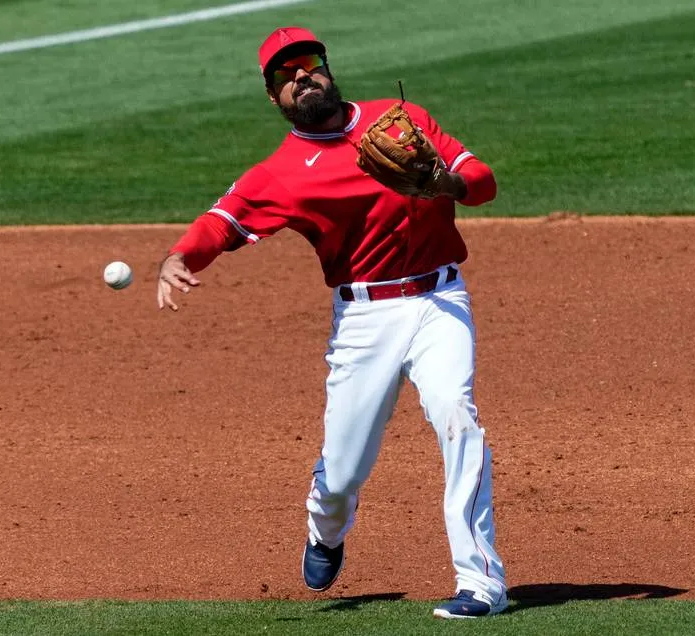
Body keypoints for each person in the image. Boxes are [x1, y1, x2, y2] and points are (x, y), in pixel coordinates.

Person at [156, 26, 507, 619]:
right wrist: (177, 258)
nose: (301, 76)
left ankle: (481, 584)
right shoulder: (281, 174)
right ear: (274, 96)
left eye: (308, 63)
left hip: (440, 300)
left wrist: (444, 182)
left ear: (327, 66)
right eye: (284, 75)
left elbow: (484, 183)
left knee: (457, 418)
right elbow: (221, 222)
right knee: (343, 473)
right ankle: (326, 526)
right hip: (364, 320)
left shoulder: (401, 120)